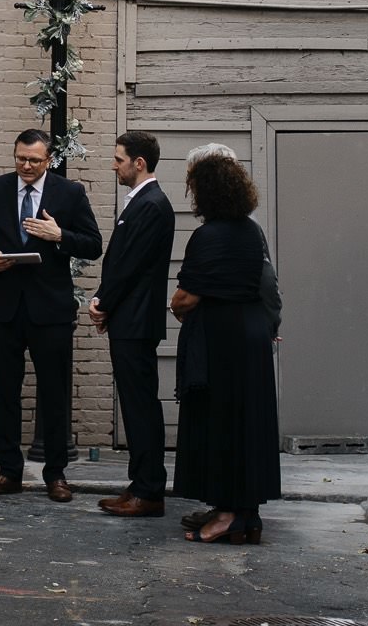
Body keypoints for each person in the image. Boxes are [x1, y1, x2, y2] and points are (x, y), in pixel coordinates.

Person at [0, 128, 102, 502]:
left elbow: (93, 244)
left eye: (34, 160)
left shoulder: (69, 193)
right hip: (4, 307)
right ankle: (8, 471)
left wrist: (60, 235)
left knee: (54, 392)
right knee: (4, 392)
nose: (25, 166)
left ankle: (55, 475)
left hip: (51, 309)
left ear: (49, 160)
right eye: (20, 158)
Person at [170, 150, 281, 544]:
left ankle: (227, 515)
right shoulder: (252, 232)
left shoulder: (208, 235)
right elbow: (264, 284)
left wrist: (182, 306)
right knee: (247, 425)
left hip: (221, 342)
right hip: (252, 336)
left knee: (220, 425)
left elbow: (184, 298)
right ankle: (245, 514)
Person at [88, 130, 176, 517]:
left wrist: (103, 302)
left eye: (119, 159)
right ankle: (140, 484)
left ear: (139, 163)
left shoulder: (151, 205)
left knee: (140, 406)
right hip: (132, 318)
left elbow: (129, 264)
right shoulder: (143, 202)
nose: (114, 165)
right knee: (136, 404)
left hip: (135, 320)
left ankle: (149, 491)